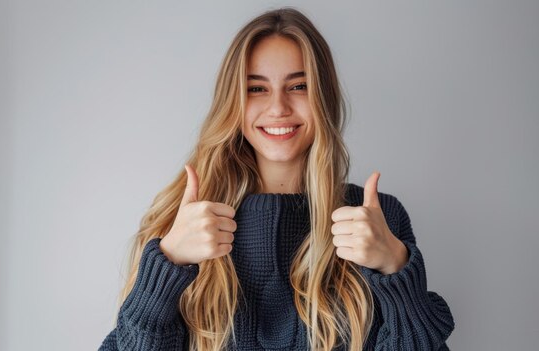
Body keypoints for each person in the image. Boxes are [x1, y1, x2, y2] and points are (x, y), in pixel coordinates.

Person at [99, 7, 454, 351]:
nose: (278, 107)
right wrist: (168, 265)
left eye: (298, 86)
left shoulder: (376, 219)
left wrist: (395, 267)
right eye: (256, 88)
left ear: (323, 97)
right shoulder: (182, 223)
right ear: (233, 103)